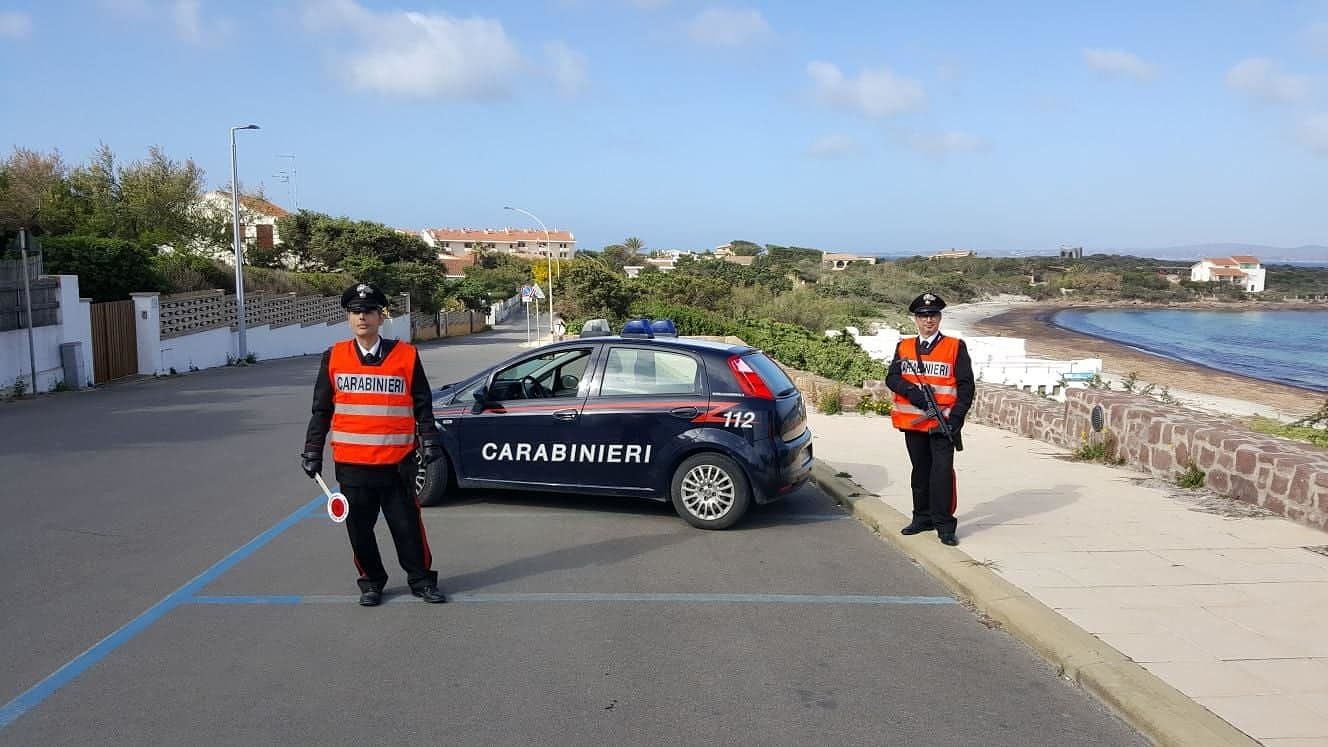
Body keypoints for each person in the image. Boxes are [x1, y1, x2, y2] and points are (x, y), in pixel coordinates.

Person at [301, 283, 448, 606]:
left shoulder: (406, 356)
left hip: (397, 465)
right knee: (359, 529)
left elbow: (422, 405)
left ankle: (421, 580)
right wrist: (312, 451)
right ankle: (371, 582)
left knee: (407, 527)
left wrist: (430, 443)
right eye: (355, 312)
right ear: (348, 318)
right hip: (352, 467)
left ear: (381, 317)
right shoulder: (334, 357)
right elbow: (321, 411)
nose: (362, 317)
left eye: (368, 311)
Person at [885, 292, 976, 547]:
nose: (928, 320)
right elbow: (892, 377)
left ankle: (944, 526)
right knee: (920, 472)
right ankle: (921, 518)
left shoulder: (955, 346)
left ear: (939, 318)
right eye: (923, 316)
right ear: (916, 319)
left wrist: (956, 418)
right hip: (913, 423)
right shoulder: (904, 346)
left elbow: (966, 386)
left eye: (933, 315)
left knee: (941, 474)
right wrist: (912, 392)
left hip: (943, 423)